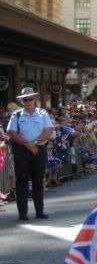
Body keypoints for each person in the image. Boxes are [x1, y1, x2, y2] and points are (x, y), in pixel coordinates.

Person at [6, 87, 54, 220]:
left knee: (38, 180)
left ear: (35, 100)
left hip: (39, 149)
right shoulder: (16, 115)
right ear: (22, 101)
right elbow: (12, 133)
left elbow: (48, 130)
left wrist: (36, 143)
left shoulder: (43, 114)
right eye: (25, 100)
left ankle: (40, 211)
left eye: (30, 99)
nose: (28, 102)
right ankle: (23, 213)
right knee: (22, 181)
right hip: (22, 151)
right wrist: (28, 144)